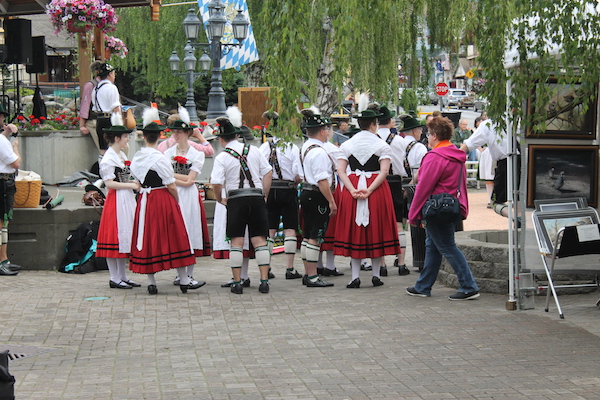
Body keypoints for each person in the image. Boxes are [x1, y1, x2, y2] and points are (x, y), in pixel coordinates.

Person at [406, 116, 479, 300]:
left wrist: (413, 214)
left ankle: (469, 286)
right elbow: (461, 183)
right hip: (449, 205)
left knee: (446, 247)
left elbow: (423, 188)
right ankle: (423, 286)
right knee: (434, 246)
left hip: (434, 206)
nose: (427, 138)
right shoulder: (455, 154)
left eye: (429, 134)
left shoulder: (434, 157)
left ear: (435, 135)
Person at [334, 109, 400, 288]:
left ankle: (354, 277)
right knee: (376, 229)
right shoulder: (382, 145)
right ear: (373, 125)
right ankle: (376, 275)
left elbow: (340, 170)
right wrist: (370, 189)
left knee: (357, 231)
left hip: (353, 185)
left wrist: (352, 189)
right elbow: (384, 171)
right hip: (376, 188)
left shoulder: (347, 144)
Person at [129, 121, 196, 295]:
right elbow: (171, 185)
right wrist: (176, 201)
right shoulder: (160, 158)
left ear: (144, 137)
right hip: (162, 198)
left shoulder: (137, 157)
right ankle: (183, 279)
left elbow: (136, 181)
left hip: (145, 200)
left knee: (148, 237)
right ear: (159, 137)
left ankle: (151, 282)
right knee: (176, 235)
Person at [210, 117, 273, 295]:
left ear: (222, 139)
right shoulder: (254, 150)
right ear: (236, 136)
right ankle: (264, 281)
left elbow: (215, 182)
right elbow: (268, 172)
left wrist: (219, 198)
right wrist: (265, 194)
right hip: (256, 197)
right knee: (260, 240)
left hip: (236, 199)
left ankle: (237, 283)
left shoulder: (222, 157)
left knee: (236, 241)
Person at [164, 119, 211, 290]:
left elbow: (191, 180)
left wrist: (174, 176)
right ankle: (179, 274)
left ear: (187, 134)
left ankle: (189, 273)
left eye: (179, 132)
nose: (175, 135)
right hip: (173, 193)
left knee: (190, 229)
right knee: (177, 231)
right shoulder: (167, 153)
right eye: (174, 132)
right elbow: (166, 176)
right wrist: (180, 178)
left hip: (189, 196)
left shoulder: (196, 154)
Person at [95, 120, 141, 289]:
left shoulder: (121, 155)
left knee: (124, 237)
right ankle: (114, 277)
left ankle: (122, 275)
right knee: (115, 236)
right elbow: (109, 183)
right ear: (116, 138)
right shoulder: (108, 158)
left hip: (126, 197)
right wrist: (131, 185)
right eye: (125, 137)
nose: (127, 139)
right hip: (116, 199)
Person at [258, 111, 303, 280]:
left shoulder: (263, 147)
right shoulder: (292, 147)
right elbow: (298, 174)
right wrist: (295, 182)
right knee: (290, 228)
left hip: (269, 190)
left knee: (270, 229)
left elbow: (260, 172)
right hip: (288, 189)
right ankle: (290, 269)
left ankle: (267, 268)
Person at [298, 108, 337, 287]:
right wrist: (331, 200)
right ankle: (313, 276)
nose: (329, 132)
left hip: (306, 192)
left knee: (307, 236)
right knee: (315, 236)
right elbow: (322, 180)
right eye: (327, 129)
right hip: (317, 194)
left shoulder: (305, 147)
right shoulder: (319, 151)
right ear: (322, 131)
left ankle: (308, 273)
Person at [375, 105, 409, 276]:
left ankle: (382, 265)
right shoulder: (399, 141)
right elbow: (402, 163)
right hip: (395, 182)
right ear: (389, 122)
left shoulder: (372, 140)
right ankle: (401, 264)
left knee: (379, 224)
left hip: (376, 183)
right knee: (398, 224)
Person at [460, 117, 512, 211]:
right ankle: (516, 218)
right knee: (497, 200)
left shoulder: (517, 120)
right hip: (503, 162)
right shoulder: (489, 124)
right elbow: (471, 143)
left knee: (519, 196)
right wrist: (456, 155)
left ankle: (518, 218)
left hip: (518, 160)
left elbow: (470, 143)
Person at [400, 116, 429, 272]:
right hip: (414, 184)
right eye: (419, 130)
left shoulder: (395, 143)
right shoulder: (419, 148)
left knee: (399, 223)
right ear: (414, 130)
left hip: (395, 184)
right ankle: (420, 259)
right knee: (417, 221)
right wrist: (411, 185)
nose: (421, 132)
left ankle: (399, 259)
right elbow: (422, 170)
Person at [0, 103, 21, 276]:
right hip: (3, 182)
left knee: (3, 223)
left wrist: (6, 134)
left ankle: (4, 259)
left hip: (4, 181)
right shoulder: (1, 141)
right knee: (2, 224)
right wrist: (15, 147)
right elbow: (16, 163)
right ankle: (2, 261)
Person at [91, 63, 121, 154]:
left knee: (103, 149)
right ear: (110, 74)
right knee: (115, 147)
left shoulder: (96, 89)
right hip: (110, 119)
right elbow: (116, 108)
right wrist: (120, 124)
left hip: (99, 119)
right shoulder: (111, 87)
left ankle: (102, 167)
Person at [79, 61, 104, 154]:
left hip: (105, 119)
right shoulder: (90, 85)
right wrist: (82, 125)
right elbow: (85, 105)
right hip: (94, 119)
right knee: (104, 149)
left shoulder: (107, 85)